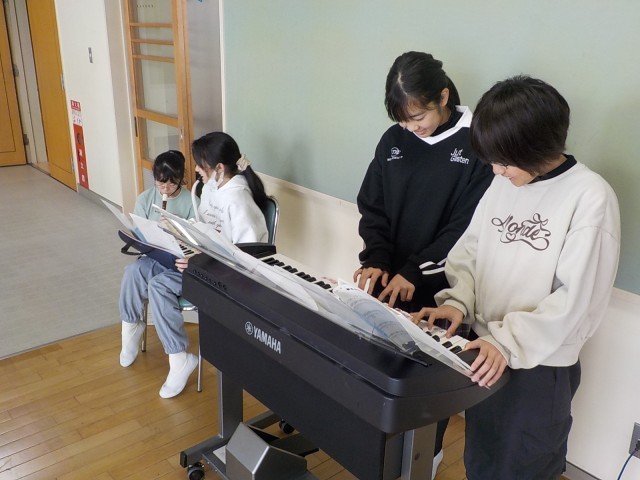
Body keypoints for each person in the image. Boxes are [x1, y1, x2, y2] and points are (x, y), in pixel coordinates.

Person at [412, 76, 620, 479]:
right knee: (481, 460)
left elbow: (575, 300)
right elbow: (471, 252)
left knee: (523, 467)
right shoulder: (503, 183)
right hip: (486, 351)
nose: (496, 170)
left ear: (538, 146)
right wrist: (458, 303)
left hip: (539, 366)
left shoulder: (590, 197)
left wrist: (505, 342)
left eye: (504, 161)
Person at [353, 51, 494, 478]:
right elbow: (373, 205)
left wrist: (414, 271)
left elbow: (465, 228)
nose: (411, 128)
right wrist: (376, 258)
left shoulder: (478, 143)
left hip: (442, 292)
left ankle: (424, 462)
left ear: (443, 97)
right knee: (381, 379)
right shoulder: (393, 140)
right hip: (388, 283)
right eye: (402, 120)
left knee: (426, 391)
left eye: (418, 117)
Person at [119, 132, 268, 399]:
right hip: (197, 260)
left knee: (160, 286)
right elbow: (204, 232)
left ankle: (179, 359)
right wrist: (183, 240)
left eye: (201, 165)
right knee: (137, 272)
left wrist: (197, 257)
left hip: (220, 273)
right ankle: (145, 337)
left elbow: (245, 258)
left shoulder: (239, 201)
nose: (196, 170)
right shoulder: (210, 188)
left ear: (219, 168)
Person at [131, 150, 196, 221]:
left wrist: (179, 224)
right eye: (161, 184)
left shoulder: (193, 202)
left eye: (172, 184)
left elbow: (197, 226)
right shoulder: (144, 199)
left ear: (181, 179)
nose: (166, 189)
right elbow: (138, 227)